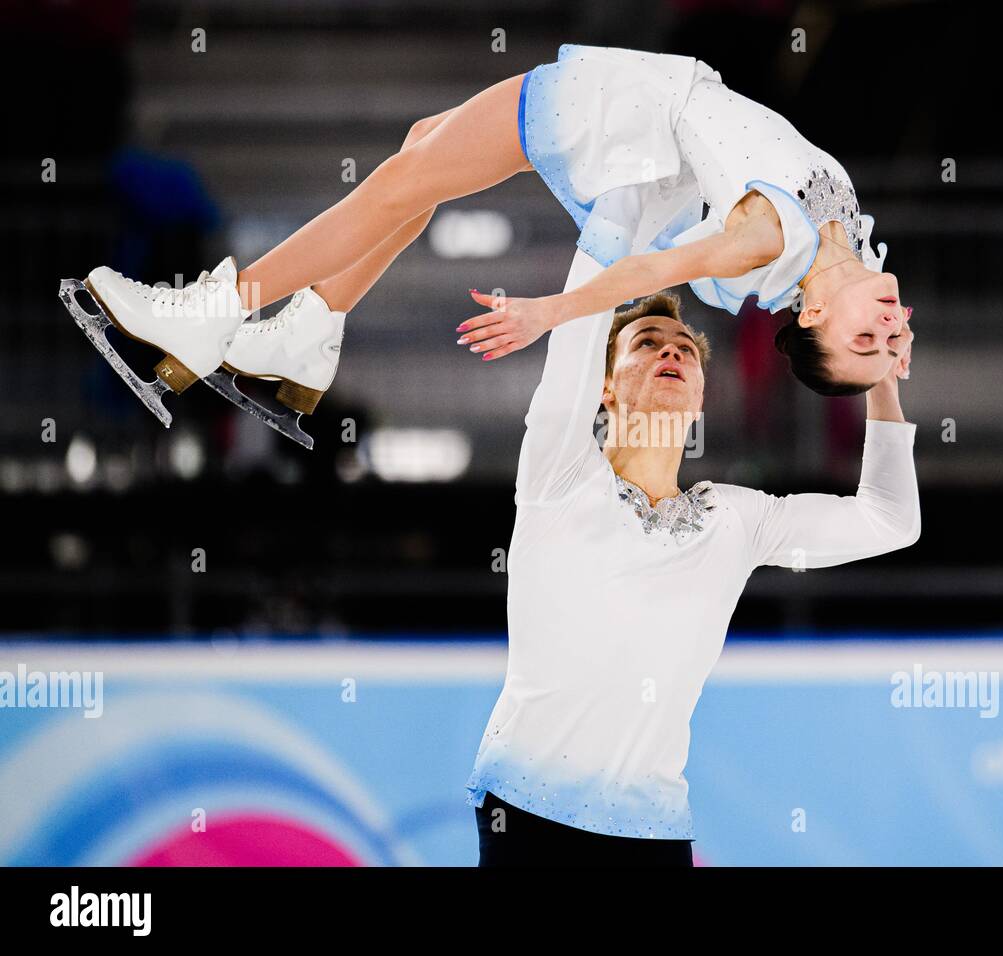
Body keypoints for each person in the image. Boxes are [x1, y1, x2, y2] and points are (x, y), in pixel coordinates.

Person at [68, 45, 910, 446]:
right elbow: (866, 293)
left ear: (810, 313)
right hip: (648, 108)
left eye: (861, 341)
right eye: (887, 336)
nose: (884, 328)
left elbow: (653, 271)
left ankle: (215, 311)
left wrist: (552, 310)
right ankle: (309, 333)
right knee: (422, 146)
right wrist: (885, 361)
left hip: (618, 114)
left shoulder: (768, 239)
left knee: (402, 182)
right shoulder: (847, 245)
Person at [468, 251, 918, 865]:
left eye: (684, 348)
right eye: (647, 344)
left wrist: (881, 374)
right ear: (603, 386)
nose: (670, 353)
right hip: (527, 812)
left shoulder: (736, 521)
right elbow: (580, 325)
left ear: (702, 395)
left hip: (652, 831)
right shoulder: (560, 475)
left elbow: (889, 520)